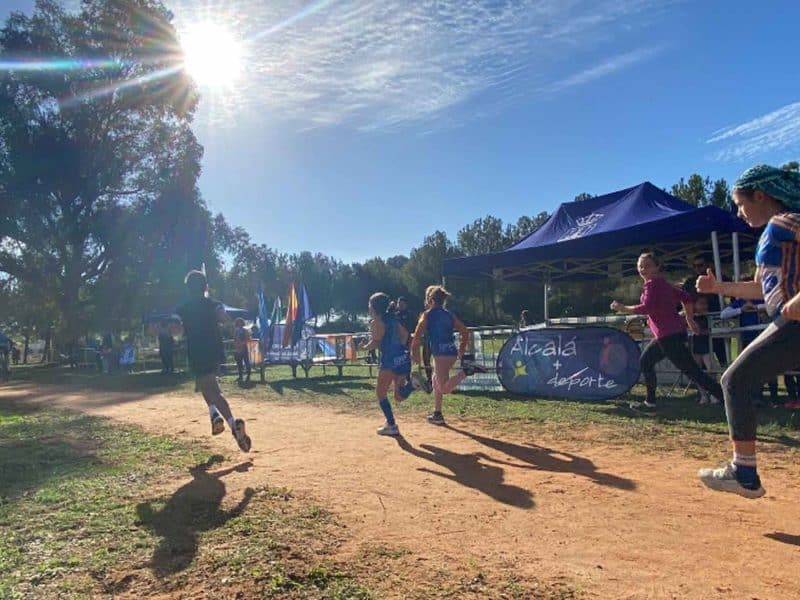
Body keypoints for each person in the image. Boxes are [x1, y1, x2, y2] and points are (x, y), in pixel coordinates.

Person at [696, 164, 800, 498]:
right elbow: (758, 290)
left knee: (734, 380)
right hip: (785, 323)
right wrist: (718, 287)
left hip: (792, 324)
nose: (739, 213)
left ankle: (744, 472)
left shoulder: (785, 221)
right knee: (736, 380)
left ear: (760, 195)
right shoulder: (770, 237)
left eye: (741, 204)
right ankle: (744, 472)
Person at [610, 252, 723, 409]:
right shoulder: (663, 284)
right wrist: (689, 320)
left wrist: (624, 308)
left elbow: (646, 308)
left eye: (647, 266)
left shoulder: (652, 285)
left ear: (657, 267)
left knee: (692, 371)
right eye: (640, 266)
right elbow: (687, 298)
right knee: (646, 362)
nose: (643, 269)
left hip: (668, 336)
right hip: (669, 334)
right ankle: (650, 402)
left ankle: (728, 398)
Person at [176, 270, 251, 452]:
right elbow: (223, 317)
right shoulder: (213, 304)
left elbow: (176, 328)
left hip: (196, 352)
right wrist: (231, 326)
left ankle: (230, 423)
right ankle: (215, 416)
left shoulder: (183, 309)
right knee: (204, 384)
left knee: (211, 388)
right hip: (215, 351)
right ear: (206, 287)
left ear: (187, 289)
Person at [411, 285, 487, 426]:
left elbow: (417, 336)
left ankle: (467, 371)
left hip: (440, 354)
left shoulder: (427, 315)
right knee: (435, 381)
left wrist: (414, 353)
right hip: (450, 352)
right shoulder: (449, 314)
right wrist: (461, 351)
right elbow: (465, 332)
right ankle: (437, 413)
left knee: (444, 388)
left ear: (431, 300)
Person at [362, 292, 418, 436]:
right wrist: (400, 347)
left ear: (374, 307)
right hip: (402, 357)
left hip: (389, 360)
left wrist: (363, 348)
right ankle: (413, 385)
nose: (368, 308)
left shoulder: (376, 322)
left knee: (381, 393)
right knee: (399, 396)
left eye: (369, 305)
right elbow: (405, 334)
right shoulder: (393, 319)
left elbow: (376, 342)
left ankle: (391, 425)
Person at [683, 253, 727, 367]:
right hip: (699, 323)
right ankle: (705, 382)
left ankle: (727, 379)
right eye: (695, 266)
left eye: (700, 265)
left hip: (717, 320)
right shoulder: (690, 282)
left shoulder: (720, 278)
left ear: (710, 265)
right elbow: (683, 300)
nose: (698, 269)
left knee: (722, 353)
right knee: (700, 356)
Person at [689, 296, 717, 405]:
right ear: (694, 305)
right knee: (697, 371)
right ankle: (703, 395)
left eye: (705, 304)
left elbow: (711, 329)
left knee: (711, 369)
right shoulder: (690, 316)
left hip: (707, 347)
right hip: (695, 347)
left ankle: (714, 394)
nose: (703, 306)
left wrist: (704, 331)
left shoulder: (709, 316)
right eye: (700, 304)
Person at [233, 317, 252, 384]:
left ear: (242, 323)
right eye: (238, 322)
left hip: (244, 348)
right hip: (238, 349)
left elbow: (248, 339)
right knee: (239, 363)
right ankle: (240, 376)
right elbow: (234, 339)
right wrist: (236, 346)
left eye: (240, 322)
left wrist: (242, 343)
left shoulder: (245, 330)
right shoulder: (236, 330)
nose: (239, 323)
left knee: (247, 362)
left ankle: (248, 376)